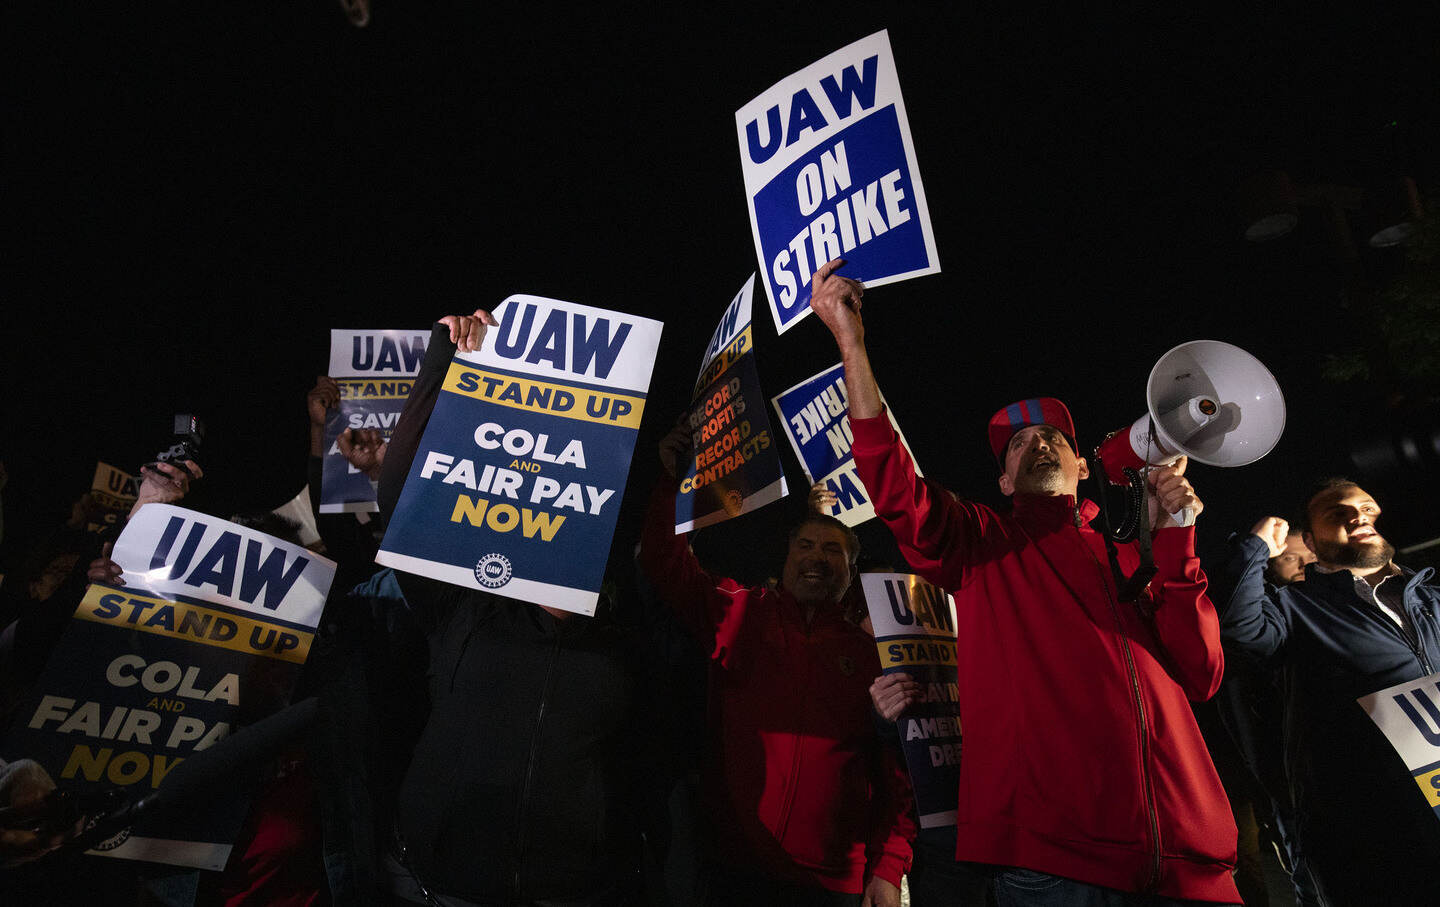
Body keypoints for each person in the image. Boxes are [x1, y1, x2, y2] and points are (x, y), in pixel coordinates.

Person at [809, 258, 1239, 905]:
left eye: (1053, 437)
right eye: (1017, 445)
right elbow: (893, 485)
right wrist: (850, 338)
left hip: (1190, 861)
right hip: (1057, 864)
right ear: (1004, 482)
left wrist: (1174, 538)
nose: (1036, 444)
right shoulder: (982, 543)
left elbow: (1202, 672)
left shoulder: (1130, 557)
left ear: (1084, 466)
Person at [375, 310, 652, 906]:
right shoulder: (463, 610)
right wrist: (444, 362)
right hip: (436, 887)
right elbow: (404, 501)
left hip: (569, 892)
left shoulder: (623, 639)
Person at [640, 427, 915, 907]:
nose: (816, 556)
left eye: (833, 551)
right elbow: (666, 564)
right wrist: (673, 482)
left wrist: (887, 868)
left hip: (833, 883)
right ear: (786, 558)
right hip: (733, 867)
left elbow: (897, 774)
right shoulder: (741, 613)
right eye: (805, 545)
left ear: (851, 575)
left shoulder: (876, 657)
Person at [1219, 479, 1440, 905]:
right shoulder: (1295, 608)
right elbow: (1239, 630)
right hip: (1376, 834)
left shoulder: (1431, 599)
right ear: (1309, 539)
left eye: (1366, 507)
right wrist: (1254, 550)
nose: (1358, 515)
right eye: (1337, 514)